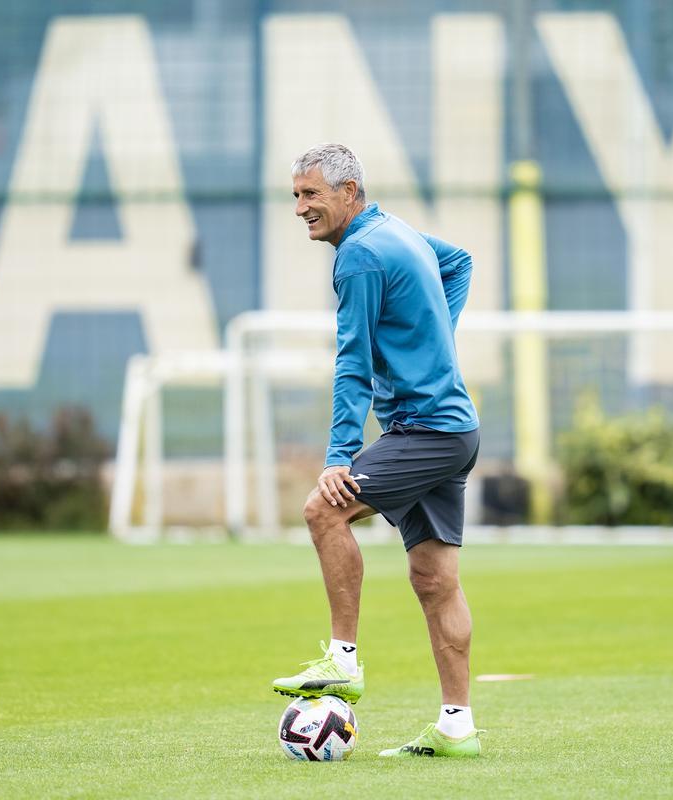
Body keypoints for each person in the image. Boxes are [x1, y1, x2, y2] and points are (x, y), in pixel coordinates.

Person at [271, 143, 484, 758]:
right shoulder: (397, 232)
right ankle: (456, 727)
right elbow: (460, 262)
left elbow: (353, 361)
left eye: (312, 195)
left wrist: (340, 454)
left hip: (426, 433)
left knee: (323, 508)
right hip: (452, 431)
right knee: (435, 578)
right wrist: (431, 337)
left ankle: (342, 660)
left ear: (349, 193)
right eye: (296, 195)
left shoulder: (360, 254)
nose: (301, 208)